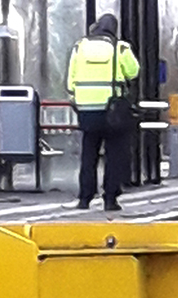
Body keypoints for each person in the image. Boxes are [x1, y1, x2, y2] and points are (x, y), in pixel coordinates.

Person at [67, 14, 140, 211]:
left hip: (86, 110)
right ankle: (110, 198)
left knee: (89, 153)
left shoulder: (79, 47)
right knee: (114, 154)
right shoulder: (120, 48)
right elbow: (133, 71)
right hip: (112, 110)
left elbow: (70, 80)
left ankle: (84, 198)